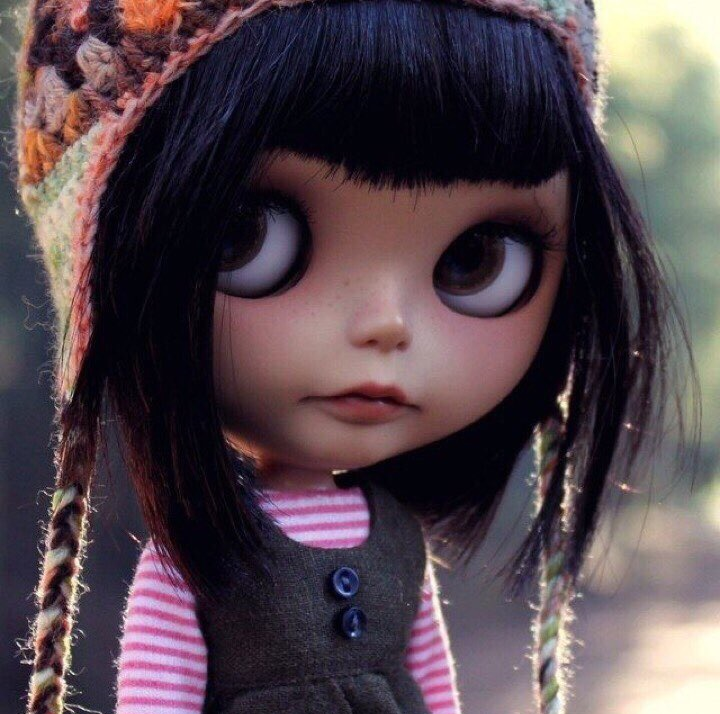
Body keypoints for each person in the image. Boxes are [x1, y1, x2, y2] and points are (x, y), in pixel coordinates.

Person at [14, 1, 690, 713]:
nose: (386, 325)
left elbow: (435, 689)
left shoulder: (396, 541)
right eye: (250, 236)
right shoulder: (195, 557)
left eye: (476, 259)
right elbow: (157, 699)